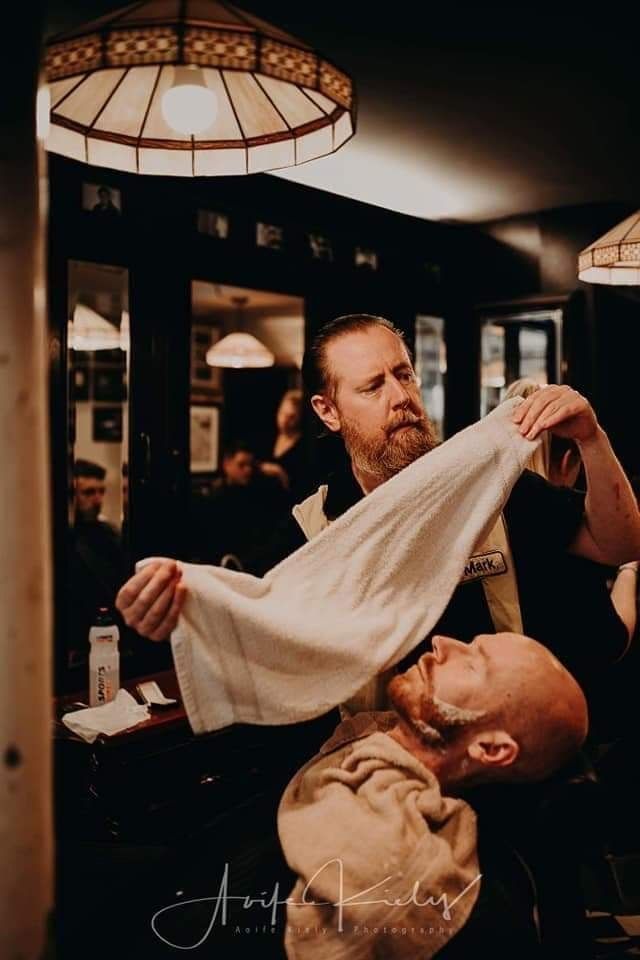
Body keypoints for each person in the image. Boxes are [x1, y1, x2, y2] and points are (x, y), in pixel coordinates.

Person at [117, 314, 640, 682]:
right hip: (386, 764)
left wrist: (591, 438)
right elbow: (248, 631)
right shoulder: (313, 528)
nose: (401, 397)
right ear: (328, 411)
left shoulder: (492, 485)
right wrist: (176, 606)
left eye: (404, 375)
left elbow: (616, 544)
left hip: (504, 756)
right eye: (373, 387)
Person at [278, 632, 588, 960]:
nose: (441, 642)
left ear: (490, 748)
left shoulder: (417, 875)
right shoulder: (359, 743)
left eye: (472, 665)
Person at [188, 440, 291, 571]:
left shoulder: (257, 494)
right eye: (241, 465)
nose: (248, 470)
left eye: (250, 465)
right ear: (227, 464)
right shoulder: (212, 497)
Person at [68, 459, 126, 664]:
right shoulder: (62, 539)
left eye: (101, 491)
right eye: (88, 492)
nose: (97, 499)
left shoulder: (110, 533)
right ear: (72, 495)